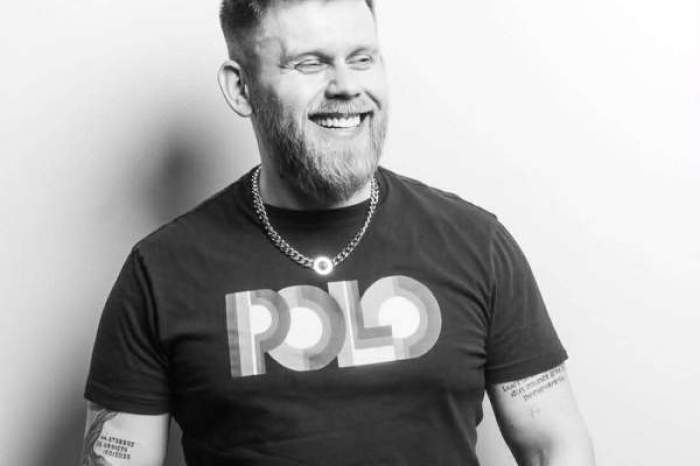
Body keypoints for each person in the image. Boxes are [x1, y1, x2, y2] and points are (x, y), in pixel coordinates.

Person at [81, 0, 595, 465]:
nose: (346, 85)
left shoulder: (475, 243)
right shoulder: (161, 272)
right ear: (242, 88)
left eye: (362, 58)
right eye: (310, 63)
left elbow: (553, 445)